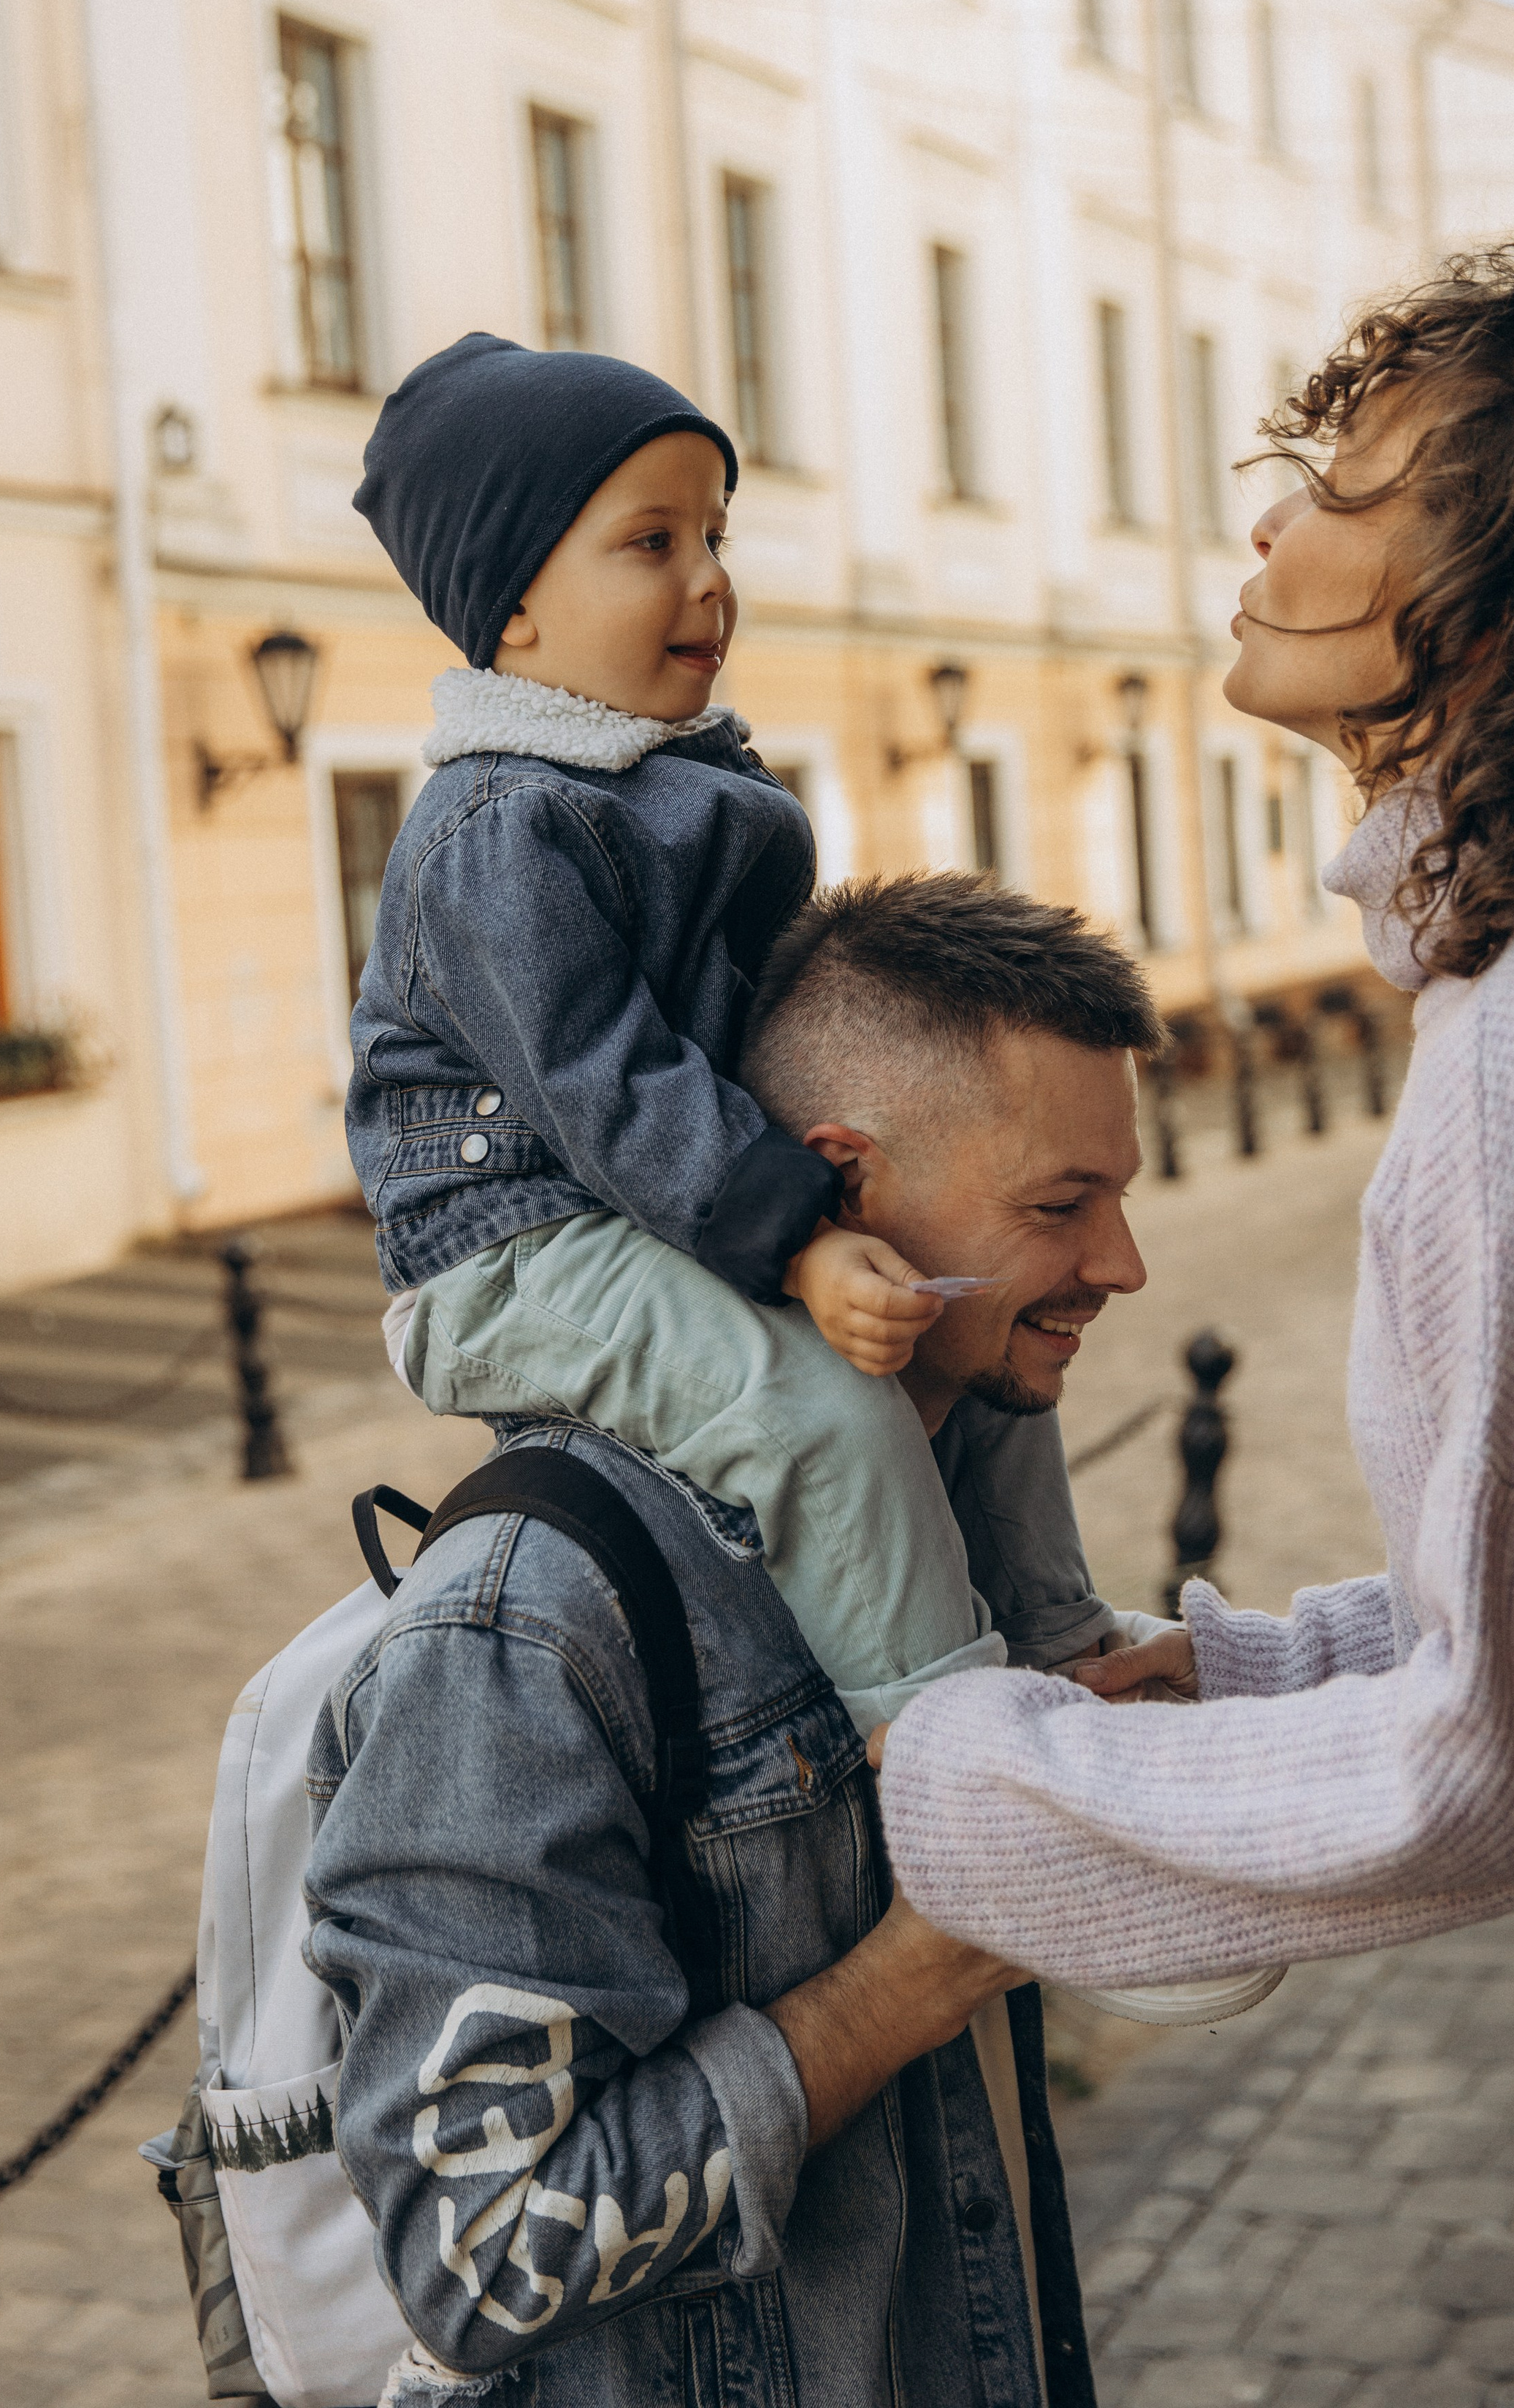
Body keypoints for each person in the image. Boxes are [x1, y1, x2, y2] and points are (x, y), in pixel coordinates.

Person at [876, 249, 1514, 2408]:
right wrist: (1247, 1674)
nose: (1269, 530)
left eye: (1351, 485)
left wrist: (992, 1787)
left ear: (1502, 598)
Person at [305, 864, 1163, 2406]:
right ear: (837, 1186)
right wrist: (908, 1979)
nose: (1119, 1267)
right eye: (1060, 1208)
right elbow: (484, 2251)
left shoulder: (961, 1480)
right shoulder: (525, 1623)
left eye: (1118, 1198)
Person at [347, 332, 1115, 1733]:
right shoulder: (502, 829)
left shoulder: (679, 784)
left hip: (669, 1210)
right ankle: (950, 1740)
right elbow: (613, 1088)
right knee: (814, 1407)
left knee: (965, 1315)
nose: (709, 577)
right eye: (650, 541)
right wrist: (806, 1241)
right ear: (511, 605)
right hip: (517, 1252)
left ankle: (1060, 1640)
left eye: (715, 531)